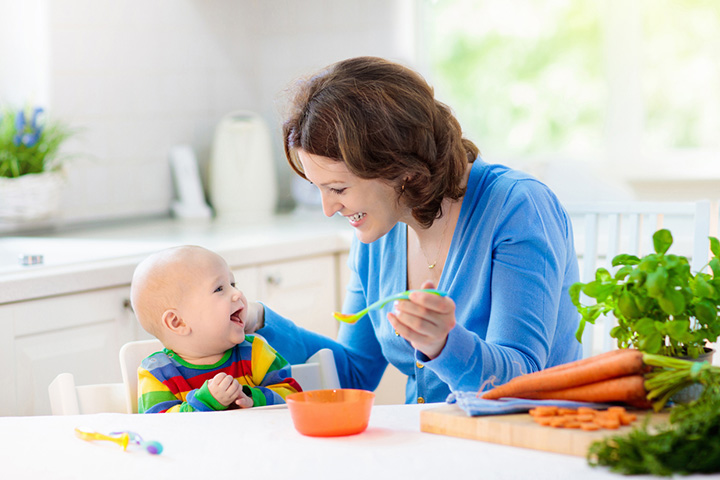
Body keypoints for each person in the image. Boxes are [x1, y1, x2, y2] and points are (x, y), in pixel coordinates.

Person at [245, 56, 582, 404]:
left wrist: (444, 344)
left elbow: (523, 378)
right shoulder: (378, 227)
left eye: (338, 189)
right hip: (431, 441)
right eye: (319, 188)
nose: (329, 209)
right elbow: (353, 372)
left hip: (526, 441)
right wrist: (258, 322)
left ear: (400, 169)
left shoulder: (518, 207)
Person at [130, 245, 301, 413]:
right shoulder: (157, 374)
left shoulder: (255, 352)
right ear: (178, 322)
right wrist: (206, 401)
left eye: (233, 283)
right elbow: (159, 427)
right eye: (219, 288)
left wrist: (251, 398)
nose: (237, 293)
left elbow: (293, 396)